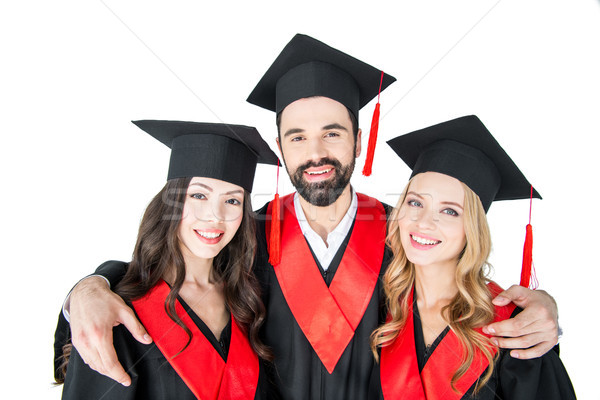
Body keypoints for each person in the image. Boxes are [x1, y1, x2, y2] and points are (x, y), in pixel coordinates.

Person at [56, 35, 561, 400]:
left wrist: (540, 310)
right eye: (297, 136)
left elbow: (465, 304)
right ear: (279, 147)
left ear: (358, 140)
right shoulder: (241, 235)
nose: (315, 151)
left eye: (333, 132)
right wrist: (87, 288)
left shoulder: (403, 235)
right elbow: (163, 278)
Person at [56, 121, 280, 399]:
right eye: (198, 195)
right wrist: (89, 287)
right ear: (171, 202)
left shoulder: (250, 302)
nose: (215, 215)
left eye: (232, 201)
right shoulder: (118, 313)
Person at [371, 115, 576, 399]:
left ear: (473, 229)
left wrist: (547, 306)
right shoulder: (379, 304)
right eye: (415, 202)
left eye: (450, 211)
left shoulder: (515, 331)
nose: (424, 222)